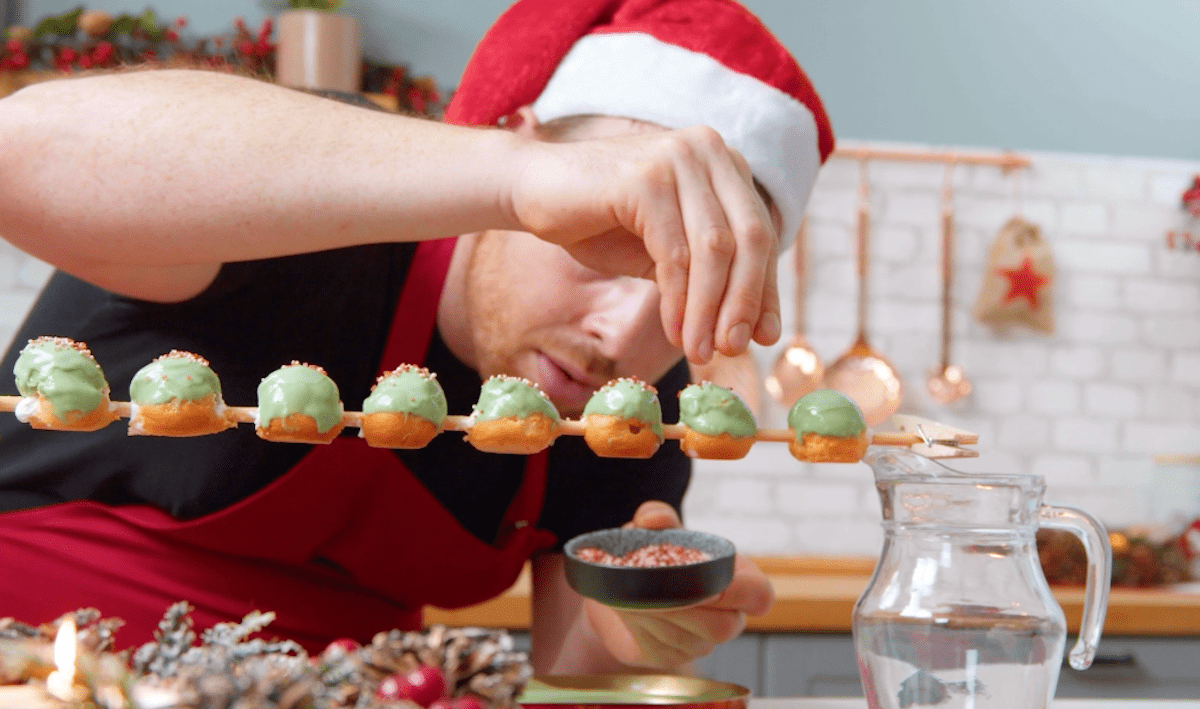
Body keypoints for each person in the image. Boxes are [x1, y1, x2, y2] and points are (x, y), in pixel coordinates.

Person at [0, 0, 833, 675]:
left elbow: (571, 655)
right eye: (607, 247)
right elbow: (19, 156)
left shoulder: (630, 401)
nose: (621, 336)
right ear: (530, 147)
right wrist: (511, 175)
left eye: (683, 287)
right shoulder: (321, 195)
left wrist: (632, 630)